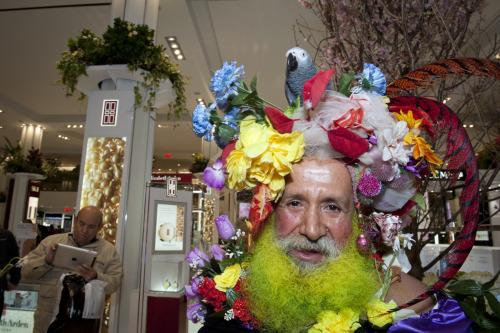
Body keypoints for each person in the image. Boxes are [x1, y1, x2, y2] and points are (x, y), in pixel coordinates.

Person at [188, 57, 482, 332]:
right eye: (294, 203)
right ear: (269, 211)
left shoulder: (416, 316)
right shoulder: (230, 305)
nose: (312, 230)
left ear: (360, 218)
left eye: (332, 207)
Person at [21, 206, 123, 333]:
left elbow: (115, 283)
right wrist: (46, 261)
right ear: (75, 221)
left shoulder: (108, 251)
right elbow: (25, 272)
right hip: (47, 323)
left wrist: (96, 277)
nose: (84, 230)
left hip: (83, 326)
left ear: (99, 227)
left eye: (91, 227)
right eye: (81, 224)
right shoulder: (51, 243)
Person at [0, 227, 21, 320]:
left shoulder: (5, 236)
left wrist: (14, 279)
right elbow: (14, 259)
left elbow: (14, 260)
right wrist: (14, 280)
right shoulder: (6, 235)